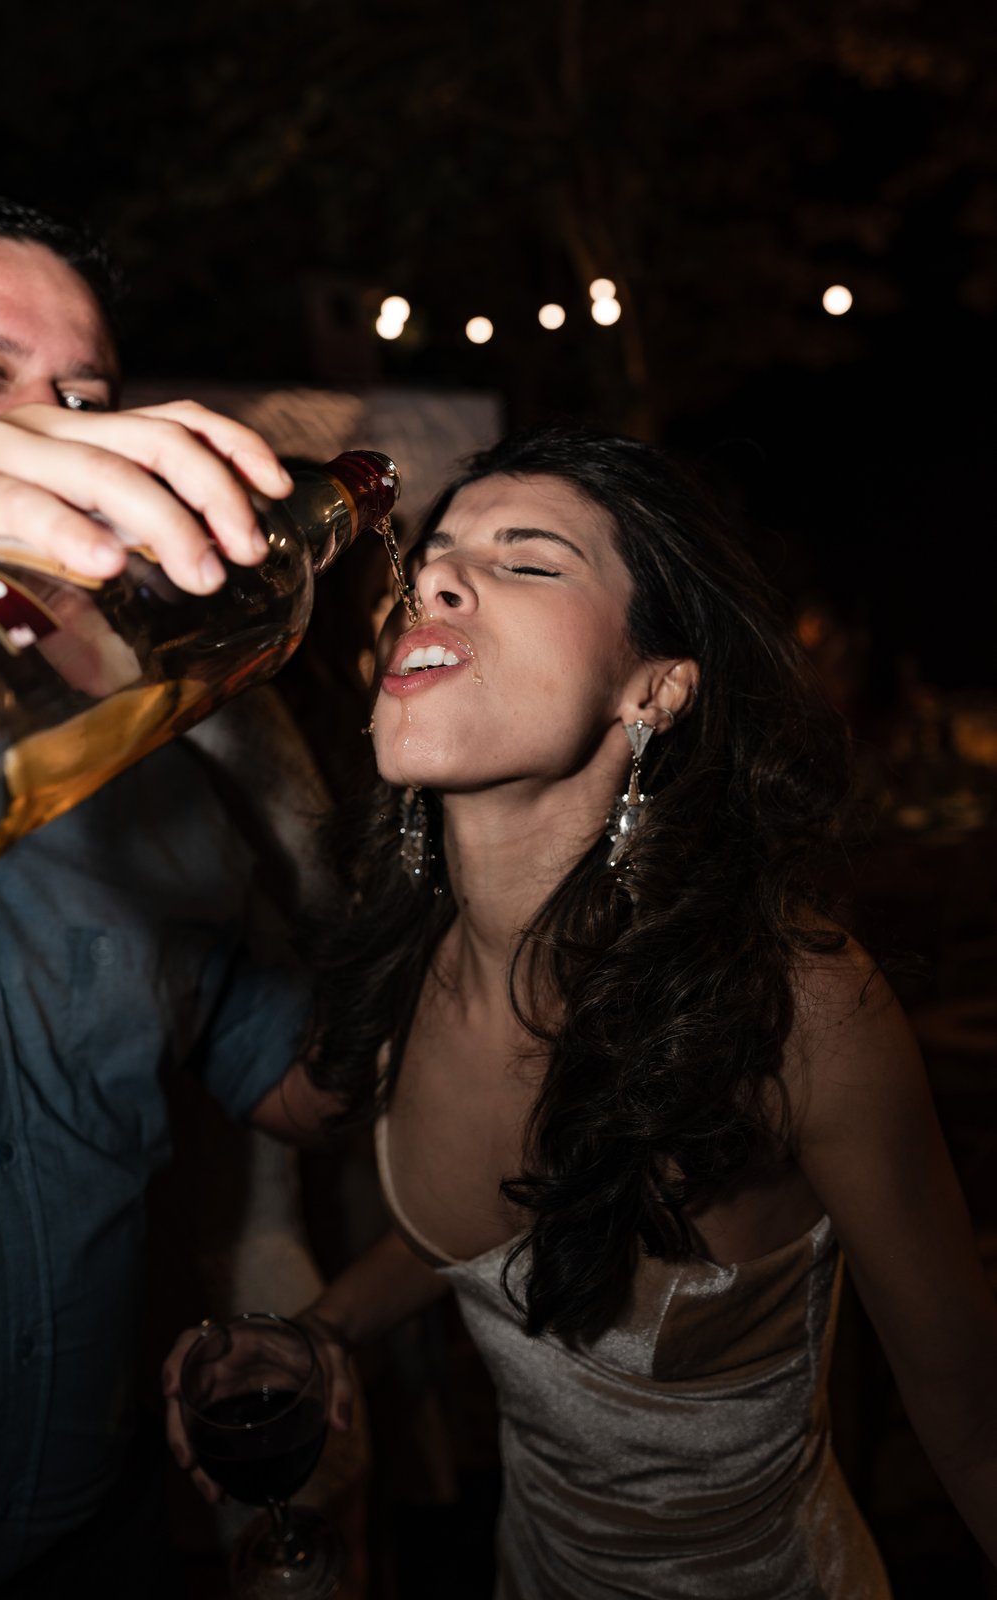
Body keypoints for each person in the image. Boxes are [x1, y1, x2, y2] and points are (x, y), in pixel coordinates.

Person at [165, 425, 997, 1596]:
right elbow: (498, 1234)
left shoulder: (794, 1010)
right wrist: (326, 1326)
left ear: (654, 686)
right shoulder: (405, 962)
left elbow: (976, 1429)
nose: (436, 580)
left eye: (527, 559)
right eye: (432, 559)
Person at [0, 193, 322, 1598]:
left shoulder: (161, 778)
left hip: (98, 1533)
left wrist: (482, 859)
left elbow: (300, 1084)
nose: (54, 428)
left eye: (87, 396)